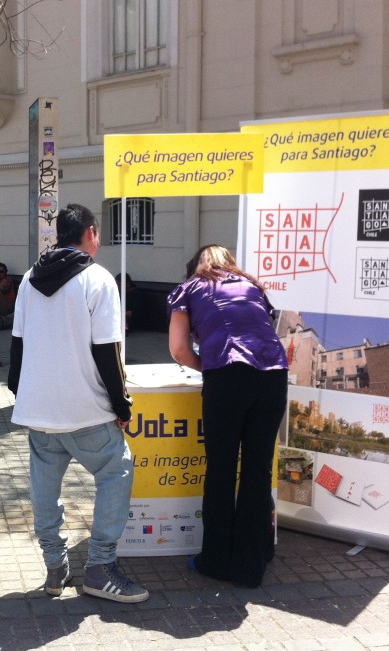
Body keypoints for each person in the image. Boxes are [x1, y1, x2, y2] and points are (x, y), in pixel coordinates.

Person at [8, 204, 149, 604]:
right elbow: (108, 352)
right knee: (115, 472)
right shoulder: (99, 279)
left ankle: (55, 566)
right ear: (89, 233)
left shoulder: (28, 278)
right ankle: (101, 568)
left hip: (39, 409)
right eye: (98, 234)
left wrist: (22, 393)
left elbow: (16, 343)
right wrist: (122, 406)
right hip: (84, 408)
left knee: (44, 485)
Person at [167, 245, 289, 588]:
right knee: (257, 469)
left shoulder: (189, 288)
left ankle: (217, 561)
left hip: (228, 377)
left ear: (195, 267)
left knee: (221, 469)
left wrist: (207, 365)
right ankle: (254, 561)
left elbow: (178, 349)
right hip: (273, 375)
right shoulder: (252, 285)